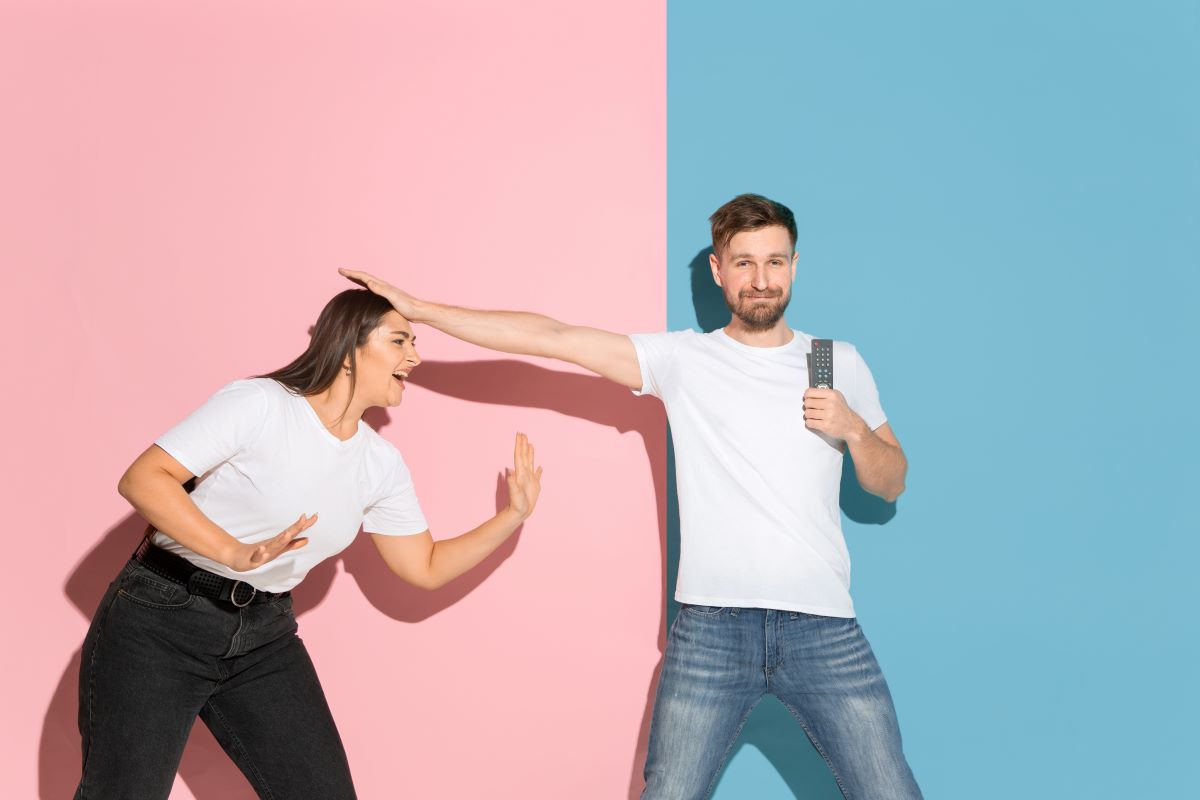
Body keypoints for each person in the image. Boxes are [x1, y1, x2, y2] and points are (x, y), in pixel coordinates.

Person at [341, 193, 922, 799]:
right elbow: (552, 337)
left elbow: (890, 482)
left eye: (774, 262)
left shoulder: (833, 362)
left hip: (823, 626)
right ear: (719, 271)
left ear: (795, 266)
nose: (761, 279)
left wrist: (853, 428)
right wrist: (420, 311)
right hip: (711, 628)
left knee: (891, 791)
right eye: (743, 263)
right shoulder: (684, 360)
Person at [75, 289, 542, 800]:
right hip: (161, 620)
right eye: (400, 340)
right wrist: (233, 552)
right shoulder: (261, 404)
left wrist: (511, 517)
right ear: (347, 349)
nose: (415, 356)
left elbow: (423, 566)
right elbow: (144, 478)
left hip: (263, 637)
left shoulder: (379, 463)